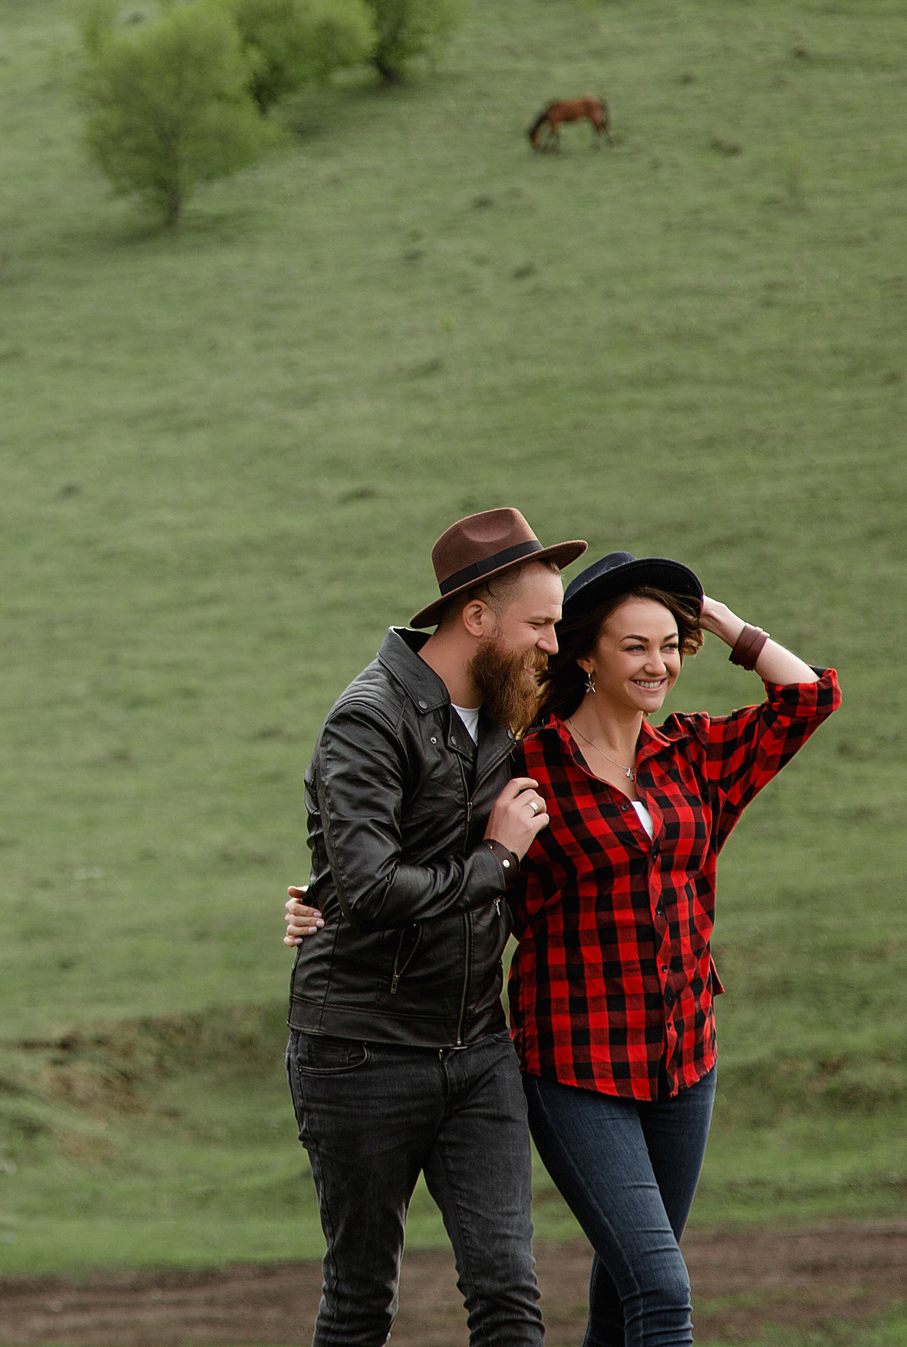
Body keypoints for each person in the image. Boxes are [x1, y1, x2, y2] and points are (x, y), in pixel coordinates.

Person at [287, 551, 838, 1347]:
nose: (660, 663)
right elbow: (401, 853)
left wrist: (711, 616)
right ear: (585, 653)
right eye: (634, 644)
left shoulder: (689, 754)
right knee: (655, 1285)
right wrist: (320, 904)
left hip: (680, 1054)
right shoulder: (523, 759)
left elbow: (808, 699)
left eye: (671, 645)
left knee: (605, 1292)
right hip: (570, 1058)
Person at [284, 508, 585, 1347]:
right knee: (359, 1298)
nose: (552, 646)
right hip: (360, 1049)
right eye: (540, 624)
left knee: (507, 1293)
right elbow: (372, 885)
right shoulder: (367, 719)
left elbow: (624, 667)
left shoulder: (505, 705)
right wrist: (497, 859)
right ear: (477, 618)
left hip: (479, 1049)